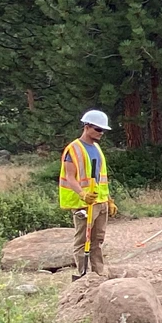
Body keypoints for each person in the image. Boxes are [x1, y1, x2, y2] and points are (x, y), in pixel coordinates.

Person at [60, 110, 116, 278]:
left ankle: (98, 274)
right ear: (87, 126)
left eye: (103, 131)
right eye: (98, 129)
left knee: (97, 240)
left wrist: (109, 200)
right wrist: (83, 194)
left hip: (100, 202)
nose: (101, 133)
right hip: (83, 203)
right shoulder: (74, 149)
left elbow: (101, 178)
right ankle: (82, 275)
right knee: (83, 241)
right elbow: (70, 177)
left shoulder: (97, 148)